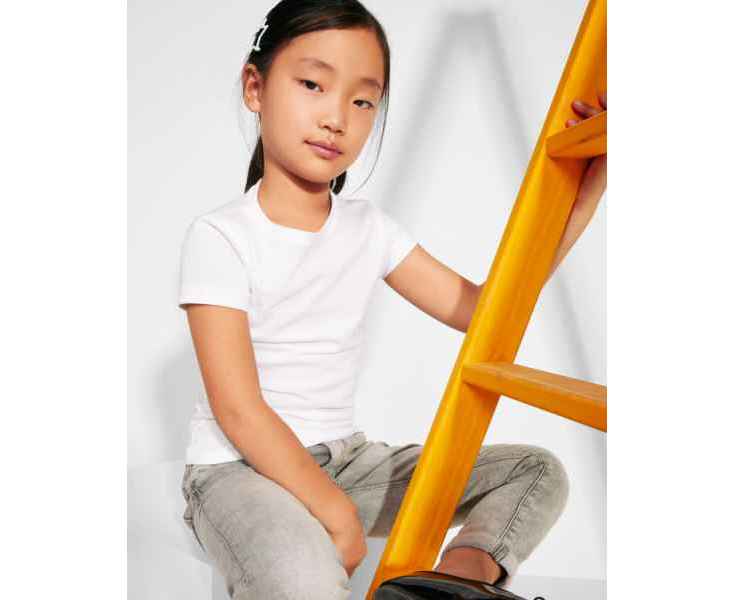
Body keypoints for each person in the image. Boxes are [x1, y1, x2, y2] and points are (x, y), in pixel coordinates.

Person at [177, 1, 607, 598]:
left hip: (348, 464)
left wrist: (584, 196)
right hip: (238, 472)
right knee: (304, 577)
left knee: (536, 472)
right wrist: (335, 512)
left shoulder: (370, 229)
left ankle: (447, 589)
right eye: (312, 84)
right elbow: (239, 411)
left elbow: (480, 312)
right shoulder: (221, 235)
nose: (336, 118)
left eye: (363, 101)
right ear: (256, 88)